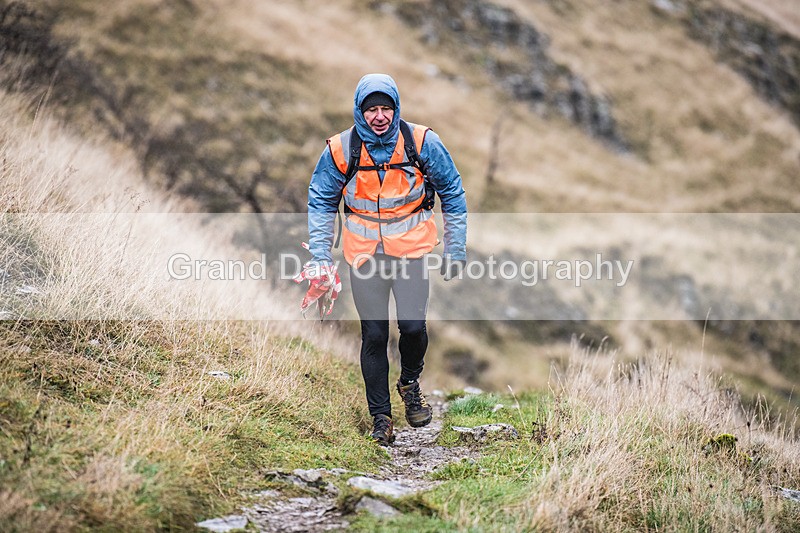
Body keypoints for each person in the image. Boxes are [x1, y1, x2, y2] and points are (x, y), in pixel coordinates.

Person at [305, 73, 467, 445]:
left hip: (410, 251)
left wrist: (455, 247)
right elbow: (321, 201)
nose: (379, 116)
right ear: (360, 111)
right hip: (364, 255)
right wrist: (319, 255)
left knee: (412, 327)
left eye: (386, 108)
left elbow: (452, 191)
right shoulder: (341, 149)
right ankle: (381, 418)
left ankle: (410, 383)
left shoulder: (422, 142)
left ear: (396, 108)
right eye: (371, 109)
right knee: (374, 335)